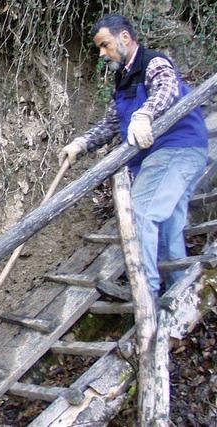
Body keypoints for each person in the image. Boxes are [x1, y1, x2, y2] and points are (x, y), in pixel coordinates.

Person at [59, 14, 208, 301]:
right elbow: (111, 124)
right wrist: (81, 144)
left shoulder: (153, 63)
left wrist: (144, 114)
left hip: (176, 150)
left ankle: (147, 292)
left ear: (124, 37)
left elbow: (167, 88)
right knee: (167, 227)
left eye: (105, 45)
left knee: (139, 212)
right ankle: (180, 293)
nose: (102, 53)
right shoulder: (123, 80)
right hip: (162, 157)